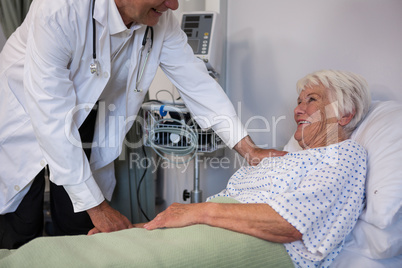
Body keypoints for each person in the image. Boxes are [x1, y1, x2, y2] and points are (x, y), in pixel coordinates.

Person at [0, 0, 284, 249]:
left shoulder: (159, 22)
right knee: (20, 223)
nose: (172, 5)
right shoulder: (59, 9)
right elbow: (50, 117)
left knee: (76, 223)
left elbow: (197, 83)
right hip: (24, 114)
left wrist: (249, 149)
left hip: (85, 114)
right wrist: (100, 209)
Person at [142, 69, 372, 267]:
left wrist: (198, 211)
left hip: (249, 243)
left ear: (345, 114)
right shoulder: (284, 159)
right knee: (115, 241)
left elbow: (289, 223)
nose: (298, 110)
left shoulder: (344, 154)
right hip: (204, 231)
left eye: (311, 100)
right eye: (299, 102)